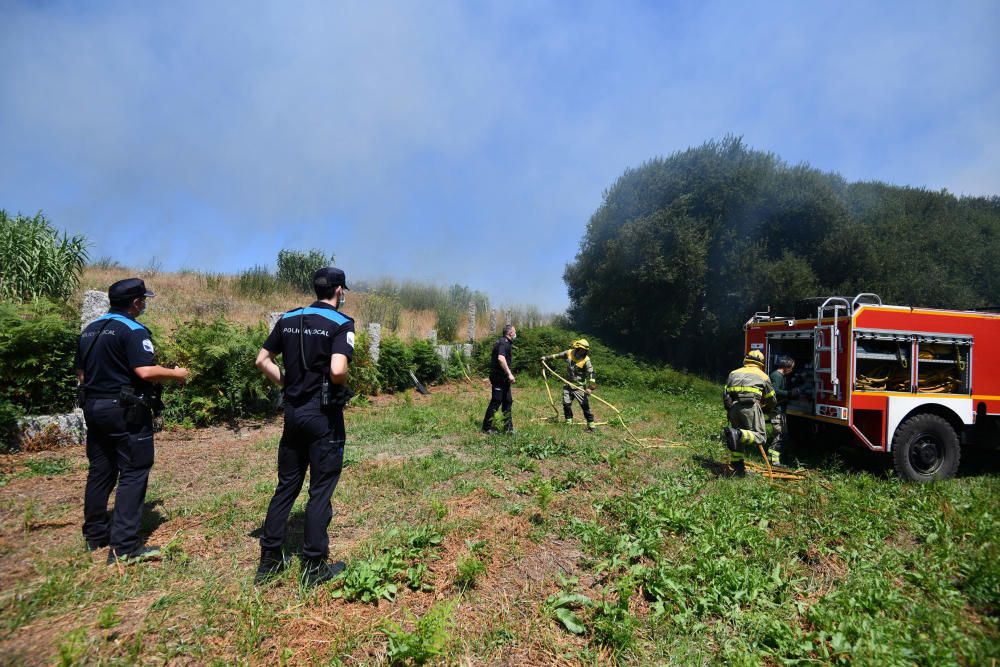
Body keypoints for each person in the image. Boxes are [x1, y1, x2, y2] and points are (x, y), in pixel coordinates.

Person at [76, 278, 189, 565]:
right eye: (144, 300)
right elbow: (145, 371)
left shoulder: (90, 330)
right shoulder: (134, 330)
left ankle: (95, 534)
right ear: (136, 302)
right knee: (134, 471)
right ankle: (124, 547)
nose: (145, 304)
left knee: (100, 469)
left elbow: (82, 376)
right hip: (124, 410)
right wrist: (177, 374)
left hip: (93, 406)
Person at [255, 267, 355, 586]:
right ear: (339, 290)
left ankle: (269, 561)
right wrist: (344, 382)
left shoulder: (288, 318)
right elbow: (338, 370)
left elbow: (261, 360)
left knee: (286, 485)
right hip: (323, 416)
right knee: (320, 489)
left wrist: (287, 383)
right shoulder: (341, 323)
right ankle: (313, 567)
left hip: (294, 413)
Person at [721, 349, 776, 477]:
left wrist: (729, 408)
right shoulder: (763, 376)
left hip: (733, 408)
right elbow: (772, 399)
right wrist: (768, 408)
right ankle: (738, 433)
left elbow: (725, 393)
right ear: (761, 363)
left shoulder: (733, 373)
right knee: (760, 437)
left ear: (746, 360)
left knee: (737, 441)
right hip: (751, 407)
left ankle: (737, 466)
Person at [541, 338, 598, 431]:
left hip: (579, 387)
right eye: (582, 349)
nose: (583, 352)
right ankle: (569, 423)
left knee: (585, 406)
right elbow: (557, 355)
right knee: (566, 404)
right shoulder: (569, 353)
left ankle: (591, 426)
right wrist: (546, 358)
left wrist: (591, 388)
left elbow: (592, 373)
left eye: (585, 350)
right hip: (567, 385)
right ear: (577, 348)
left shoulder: (586, 360)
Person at [481, 324, 516, 434]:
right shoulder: (503, 343)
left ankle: (508, 429)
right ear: (510, 333)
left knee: (507, 401)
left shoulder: (505, 343)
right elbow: (501, 359)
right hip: (498, 378)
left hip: (503, 378)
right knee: (496, 401)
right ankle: (486, 428)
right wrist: (509, 374)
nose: (515, 334)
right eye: (514, 332)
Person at [768, 355, 799, 466]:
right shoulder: (776, 376)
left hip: (781, 411)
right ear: (786, 367)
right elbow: (775, 391)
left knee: (783, 435)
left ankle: (777, 457)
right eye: (791, 368)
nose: (791, 370)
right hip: (776, 411)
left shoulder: (781, 376)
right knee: (779, 435)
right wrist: (789, 393)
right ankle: (774, 460)